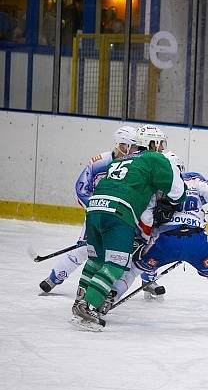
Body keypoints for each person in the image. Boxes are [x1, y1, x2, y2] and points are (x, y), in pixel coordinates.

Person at [106, 153, 208, 326]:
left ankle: (107, 299)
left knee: (132, 269)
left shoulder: (154, 188)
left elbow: (146, 219)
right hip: (197, 243)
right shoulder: (195, 182)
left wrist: (141, 239)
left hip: (164, 242)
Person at [70, 124, 186, 330]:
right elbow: (177, 192)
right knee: (116, 262)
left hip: (95, 209)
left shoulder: (122, 159)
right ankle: (89, 307)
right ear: (151, 143)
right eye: (160, 144)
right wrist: (170, 205)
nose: (161, 148)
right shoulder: (155, 158)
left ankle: (79, 302)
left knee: (95, 260)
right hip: (118, 213)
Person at [39, 125, 137, 293]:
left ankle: (146, 280)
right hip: (99, 214)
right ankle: (55, 277)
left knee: (129, 252)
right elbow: (81, 188)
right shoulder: (99, 162)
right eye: (132, 146)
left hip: (124, 217)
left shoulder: (137, 165)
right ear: (121, 145)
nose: (135, 150)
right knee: (84, 249)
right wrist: (97, 208)